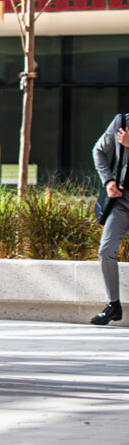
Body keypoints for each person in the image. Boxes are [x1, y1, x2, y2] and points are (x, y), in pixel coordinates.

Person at [90, 114, 128, 325]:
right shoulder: (121, 122)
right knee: (106, 250)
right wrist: (108, 181)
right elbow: (98, 151)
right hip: (121, 202)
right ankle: (113, 305)